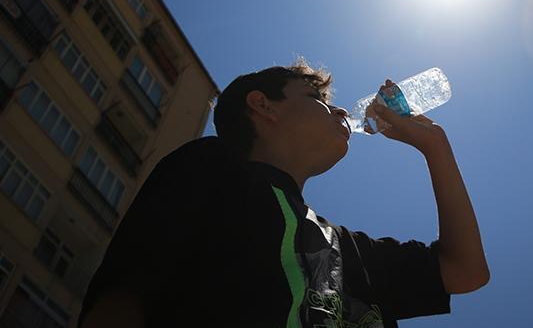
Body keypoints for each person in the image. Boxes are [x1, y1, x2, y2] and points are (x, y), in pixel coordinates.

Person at [78, 58, 489, 328]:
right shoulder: (214, 168)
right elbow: (125, 297)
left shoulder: (348, 250)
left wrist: (436, 146)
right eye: (317, 99)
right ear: (263, 106)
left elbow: (466, 271)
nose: (343, 111)